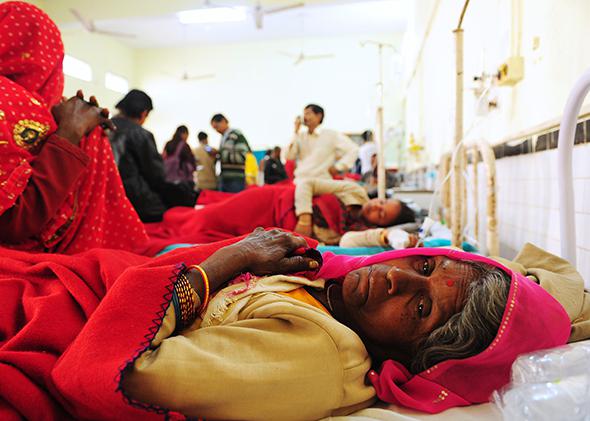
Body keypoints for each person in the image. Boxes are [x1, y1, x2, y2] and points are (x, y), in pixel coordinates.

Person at [2, 226, 584, 420]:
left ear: (421, 361)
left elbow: (104, 375)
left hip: (46, 324)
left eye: (421, 309)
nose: (398, 279)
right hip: (59, 280)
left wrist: (223, 263)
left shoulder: (316, 356)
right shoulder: (328, 278)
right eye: (426, 264)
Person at [0, 1, 147, 254]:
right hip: (42, 252)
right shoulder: (58, 119)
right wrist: (70, 135)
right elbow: (15, 221)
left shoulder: (54, 115)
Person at [142, 179, 416, 255]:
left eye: (381, 214)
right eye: (381, 201)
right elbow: (308, 185)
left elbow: (348, 242)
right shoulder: (353, 191)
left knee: (203, 237)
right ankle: (164, 222)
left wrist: (389, 236)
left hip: (267, 227)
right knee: (206, 219)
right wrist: (306, 216)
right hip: (269, 201)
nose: (375, 207)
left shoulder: (350, 232)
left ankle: (149, 235)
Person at [109, 90, 195, 222]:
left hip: (106, 198)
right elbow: (156, 175)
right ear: (144, 113)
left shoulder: (101, 128)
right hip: (137, 203)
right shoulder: (140, 134)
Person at [286, 104, 359, 181]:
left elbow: (354, 149)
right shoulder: (300, 136)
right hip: (301, 180)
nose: (304, 117)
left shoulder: (330, 135)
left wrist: (338, 167)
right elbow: (289, 156)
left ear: (319, 116)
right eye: (304, 114)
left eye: (308, 113)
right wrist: (296, 131)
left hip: (321, 180)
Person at [210, 113, 251, 192]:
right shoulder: (224, 137)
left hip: (236, 178)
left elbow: (243, 155)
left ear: (223, 121)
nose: (216, 130)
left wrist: (220, 154)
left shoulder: (236, 134)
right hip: (225, 177)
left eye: (216, 127)